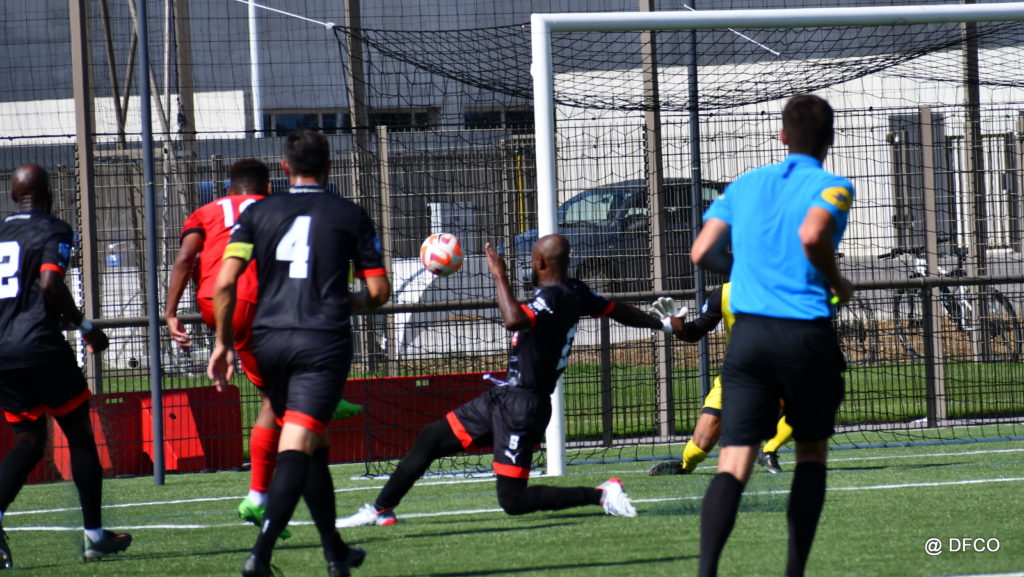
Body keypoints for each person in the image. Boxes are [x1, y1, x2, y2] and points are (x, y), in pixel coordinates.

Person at [339, 233, 676, 528]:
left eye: (532, 258)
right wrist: (660, 324)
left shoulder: (555, 297)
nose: (529, 263)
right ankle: (380, 509)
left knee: (513, 501)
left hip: (523, 408)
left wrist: (499, 275)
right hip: (504, 397)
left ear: (541, 262)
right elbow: (618, 310)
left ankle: (602, 494)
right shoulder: (576, 291)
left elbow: (513, 319)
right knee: (431, 438)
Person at [207, 130, 390, 577]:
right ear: (329, 167)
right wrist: (349, 301)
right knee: (298, 443)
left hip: (269, 341)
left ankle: (335, 553)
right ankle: (260, 555)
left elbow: (224, 283)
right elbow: (378, 292)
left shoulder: (257, 213)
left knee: (314, 446)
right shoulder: (348, 214)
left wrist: (223, 342)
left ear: (284, 169)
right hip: (319, 342)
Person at [689, 94, 854, 577]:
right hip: (804, 336)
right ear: (830, 139)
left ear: (782, 136)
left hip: (749, 339)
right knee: (811, 453)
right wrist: (838, 281)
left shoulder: (743, 184)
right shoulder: (833, 186)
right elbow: (812, 235)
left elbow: (701, 252)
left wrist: (748, 271)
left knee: (733, 462)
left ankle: (706, 572)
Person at [165, 159, 361, 539]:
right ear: (268, 187)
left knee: (277, 389)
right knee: (279, 402)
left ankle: (318, 402)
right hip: (256, 299)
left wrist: (171, 313)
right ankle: (260, 495)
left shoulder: (206, 211)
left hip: (214, 300)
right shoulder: (277, 207)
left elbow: (185, 258)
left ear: (229, 189)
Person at [0, 164, 133, 567]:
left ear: (13, 196)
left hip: (4, 352)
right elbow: (50, 284)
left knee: (28, 442)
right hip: (41, 346)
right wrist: (86, 327)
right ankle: (94, 535)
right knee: (79, 435)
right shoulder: (54, 229)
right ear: (50, 193)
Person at [646, 283, 793, 476]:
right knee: (698, 447)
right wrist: (679, 328)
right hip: (736, 377)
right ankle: (684, 465)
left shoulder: (788, 287)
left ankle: (768, 450)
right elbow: (697, 330)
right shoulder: (724, 293)